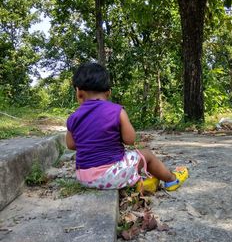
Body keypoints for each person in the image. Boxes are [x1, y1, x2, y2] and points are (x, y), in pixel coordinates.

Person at [66, 62, 188, 191]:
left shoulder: (73, 117)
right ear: (108, 93)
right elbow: (130, 140)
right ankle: (172, 179)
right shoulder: (116, 111)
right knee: (146, 155)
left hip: (84, 177)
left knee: (124, 162)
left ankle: (140, 182)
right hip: (109, 176)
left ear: (79, 92)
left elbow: (71, 145)